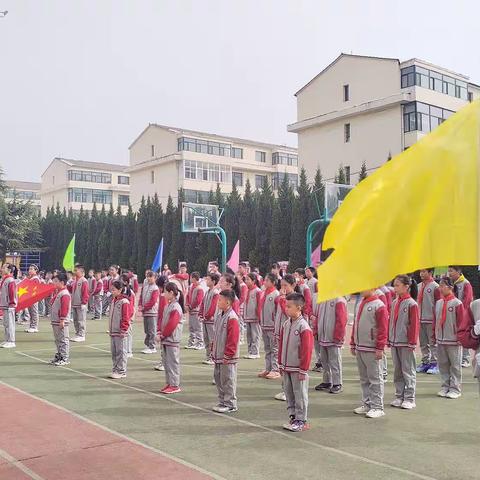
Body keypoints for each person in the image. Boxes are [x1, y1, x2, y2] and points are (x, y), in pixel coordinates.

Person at [278, 292, 314, 432]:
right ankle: (293, 416)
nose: (286, 309)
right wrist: (280, 363)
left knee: (300, 394)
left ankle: (302, 420)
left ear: (299, 308)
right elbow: (281, 345)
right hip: (287, 366)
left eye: (289, 306)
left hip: (297, 368)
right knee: (289, 393)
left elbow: (306, 350)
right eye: (286, 306)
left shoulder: (304, 327)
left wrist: (303, 369)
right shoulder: (286, 324)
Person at [351, 288, 388, 419]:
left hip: (371, 348)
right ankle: (367, 404)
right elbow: (356, 324)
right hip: (361, 346)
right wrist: (353, 342)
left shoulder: (379, 306)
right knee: (364, 379)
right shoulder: (362, 303)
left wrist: (379, 348)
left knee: (375, 378)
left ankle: (377, 406)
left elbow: (383, 329)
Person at [388, 275, 419, 410]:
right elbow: (391, 322)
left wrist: (412, 342)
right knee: (397, 371)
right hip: (395, 341)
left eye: (397, 285)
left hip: (406, 343)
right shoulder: (395, 302)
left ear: (406, 287)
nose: (395, 288)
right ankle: (399, 396)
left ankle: (410, 398)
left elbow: (414, 325)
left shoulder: (412, 304)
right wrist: (390, 338)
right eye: (394, 285)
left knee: (408, 370)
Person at [433, 276, 464, 399]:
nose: (440, 288)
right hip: (441, 339)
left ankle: (455, 388)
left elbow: (461, 322)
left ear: (450, 287)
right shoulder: (438, 303)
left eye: (442, 285)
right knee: (443, 364)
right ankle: (445, 386)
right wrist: (434, 335)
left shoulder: (457, 303)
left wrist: (460, 338)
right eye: (439, 285)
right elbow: (436, 320)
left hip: (454, 340)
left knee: (455, 365)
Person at [212, 289, 241, 414]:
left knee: (228, 379)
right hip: (218, 354)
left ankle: (230, 403)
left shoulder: (232, 317)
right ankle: (223, 401)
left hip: (227, 356)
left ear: (228, 302)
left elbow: (232, 338)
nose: (218, 302)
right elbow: (217, 334)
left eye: (220, 300)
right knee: (218, 378)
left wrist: (228, 354)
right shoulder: (220, 315)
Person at [313, 296, 348, 394]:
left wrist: (338, 336)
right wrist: (316, 331)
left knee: (335, 361)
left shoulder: (339, 300)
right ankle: (327, 381)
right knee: (324, 360)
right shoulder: (322, 300)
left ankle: (337, 383)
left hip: (333, 337)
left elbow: (341, 320)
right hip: (323, 336)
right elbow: (317, 317)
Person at [273, 274, 297, 401]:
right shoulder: (283, 297)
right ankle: (285, 389)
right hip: (281, 332)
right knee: (282, 362)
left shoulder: (294, 299)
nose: (283, 288)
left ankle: (290, 391)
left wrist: (282, 298)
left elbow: (286, 312)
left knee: (289, 363)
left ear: (293, 285)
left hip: (290, 334)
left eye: (285, 286)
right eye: (281, 285)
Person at [158, 282, 184, 394]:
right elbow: (164, 321)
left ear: (171, 293)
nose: (163, 294)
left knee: (172, 363)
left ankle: (175, 385)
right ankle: (169, 383)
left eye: (165, 292)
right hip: (166, 339)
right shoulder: (168, 305)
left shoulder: (176, 307)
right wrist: (160, 332)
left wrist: (163, 334)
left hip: (172, 339)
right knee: (167, 362)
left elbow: (172, 324)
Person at [448, 266, 474, 367]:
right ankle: (455, 358)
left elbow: (467, 300)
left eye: (451, 271)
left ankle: (465, 358)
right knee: (454, 335)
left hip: (463, 314)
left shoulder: (466, 284)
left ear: (458, 271)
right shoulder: (451, 283)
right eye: (448, 271)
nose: (449, 273)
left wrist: (462, 313)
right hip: (452, 313)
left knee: (464, 335)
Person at [416, 269, 441, 374]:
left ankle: (435, 363)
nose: (421, 274)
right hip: (420, 319)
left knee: (433, 343)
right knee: (423, 343)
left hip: (431, 319)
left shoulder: (435, 287)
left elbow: (438, 303)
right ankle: (425, 361)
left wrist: (437, 319)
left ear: (430, 273)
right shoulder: (418, 286)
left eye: (424, 271)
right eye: (420, 271)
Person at [258, 273, 281, 380]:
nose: (264, 282)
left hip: (272, 326)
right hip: (264, 325)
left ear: (273, 282)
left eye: (267, 280)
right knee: (267, 348)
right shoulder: (263, 293)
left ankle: (275, 369)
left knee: (274, 348)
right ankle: (268, 368)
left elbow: (278, 311)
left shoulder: (276, 294)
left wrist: (275, 324)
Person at [108, 280, 132, 379]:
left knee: (121, 352)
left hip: (120, 332)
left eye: (114, 290)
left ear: (120, 290)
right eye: (111, 290)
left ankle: (122, 371)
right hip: (113, 331)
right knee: (114, 351)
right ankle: (115, 369)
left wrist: (123, 329)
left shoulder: (124, 301)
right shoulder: (114, 300)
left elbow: (126, 317)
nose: (112, 292)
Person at [49, 272, 71, 366]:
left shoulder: (64, 294)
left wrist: (62, 319)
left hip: (61, 321)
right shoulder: (59, 292)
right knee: (57, 339)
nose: (54, 283)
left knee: (63, 339)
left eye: (56, 281)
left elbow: (64, 308)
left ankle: (64, 357)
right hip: (56, 320)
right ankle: (59, 355)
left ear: (62, 282)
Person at [200, 273, 220, 365]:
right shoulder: (207, 291)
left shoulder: (215, 293)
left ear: (213, 281)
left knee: (212, 339)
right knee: (206, 338)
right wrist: (201, 314)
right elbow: (203, 304)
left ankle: (213, 356)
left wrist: (207, 316)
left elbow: (213, 306)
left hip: (211, 320)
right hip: (205, 320)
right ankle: (208, 356)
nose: (206, 281)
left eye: (208, 279)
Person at [139, 271, 159, 354]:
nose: (149, 278)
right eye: (148, 276)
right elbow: (141, 296)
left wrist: (144, 308)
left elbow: (153, 301)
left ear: (155, 278)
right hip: (145, 311)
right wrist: (140, 305)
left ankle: (152, 346)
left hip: (152, 312)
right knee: (147, 329)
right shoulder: (145, 286)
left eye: (151, 276)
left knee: (152, 330)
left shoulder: (155, 288)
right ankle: (147, 345)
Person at [243, 273, 262, 360]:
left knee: (255, 335)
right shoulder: (247, 290)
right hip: (248, 316)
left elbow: (259, 304)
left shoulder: (258, 291)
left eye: (248, 279)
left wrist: (259, 316)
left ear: (253, 281)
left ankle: (255, 352)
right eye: (245, 279)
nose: (246, 281)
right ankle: (250, 351)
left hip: (255, 317)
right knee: (249, 335)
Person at [185, 272, 205, 350]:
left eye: (191, 277)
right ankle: (192, 342)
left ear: (193, 278)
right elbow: (187, 296)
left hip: (196, 310)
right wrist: (187, 304)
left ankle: (200, 342)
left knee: (198, 327)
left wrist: (190, 306)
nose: (190, 279)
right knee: (191, 327)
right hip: (191, 310)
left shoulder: (199, 288)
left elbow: (198, 300)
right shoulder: (191, 287)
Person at [70, 264, 89, 342]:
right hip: (74, 303)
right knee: (75, 320)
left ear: (81, 271)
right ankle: (77, 334)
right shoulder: (75, 281)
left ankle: (82, 335)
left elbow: (85, 292)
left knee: (81, 320)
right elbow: (72, 291)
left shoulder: (84, 281)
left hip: (80, 304)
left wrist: (84, 303)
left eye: (76, 270)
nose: (74, 272)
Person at [1, 263, 18, 349]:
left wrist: (12, 303)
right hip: (5, 305)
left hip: (9, 305)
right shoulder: (5, 279)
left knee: (10, 323)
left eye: (4, 268)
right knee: (6, 324)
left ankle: (11, 341)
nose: (2, 269)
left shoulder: (10, 280)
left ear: (9, 270)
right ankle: (7, 339)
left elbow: (12, 293)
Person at [153, 276, 168, 372]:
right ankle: (163, 362)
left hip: (163, 322)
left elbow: (162, 312)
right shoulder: (168, 295)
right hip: (165, 321)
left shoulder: (163, 296)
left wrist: (159, 327)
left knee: (165, 344)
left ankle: (164, 362)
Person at [121, 273, 136, 358]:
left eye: (121, 280)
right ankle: (123, 350)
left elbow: (132, 306)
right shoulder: (122, 291)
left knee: (128, 333)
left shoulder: (131, 293)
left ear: (126, 282)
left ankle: (129, 351)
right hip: (123, 316)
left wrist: (131, 316)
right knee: (123, 334)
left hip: (129, 316)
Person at [25, 264, 41, 333]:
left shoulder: (36, 278)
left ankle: (34, 326)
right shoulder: (30, 278)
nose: (30, 270)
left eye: (32, 269)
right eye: (29, 269)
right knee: (31, 312)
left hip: (33, 297)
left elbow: (35, 288)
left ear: (36, 270)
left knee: (34, 312)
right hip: (29, 297)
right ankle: (31, 325)